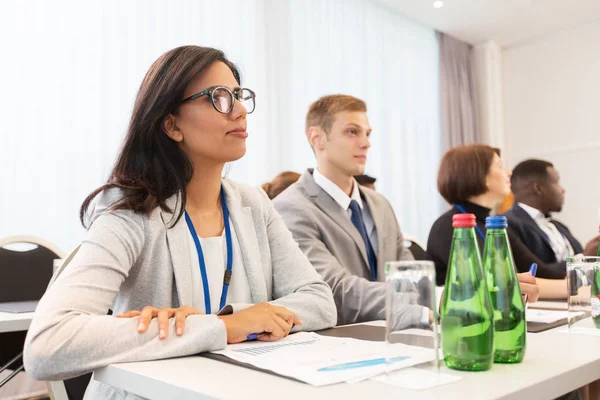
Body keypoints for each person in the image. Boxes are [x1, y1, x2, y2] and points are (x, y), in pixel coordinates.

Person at [23, 46, 336, 399]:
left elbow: (319, 302)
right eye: (218, 97)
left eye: (238, 95)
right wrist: (223, 326)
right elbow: (47, 344)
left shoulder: (252, 204)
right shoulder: (131, 209)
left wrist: (242, 318)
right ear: (172, 125)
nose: (239, 110)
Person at [274, 94, 431, 327]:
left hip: (399, 337)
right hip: (338, 345)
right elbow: (335, 289)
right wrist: (419, 310)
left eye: (367, 133)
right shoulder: (290, 208)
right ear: (317, 139)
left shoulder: (380, 204)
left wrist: (432, 300)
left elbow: (409, 275)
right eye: (352, 132)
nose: (366, 142)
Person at [426, 144, 566, 300]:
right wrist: (574, 290)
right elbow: (497, 284)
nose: (509, 173)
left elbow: (539, 272)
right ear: (482, 176)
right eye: (499, 166)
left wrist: (579, 280)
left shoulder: (493, 225)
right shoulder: (450, 227)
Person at [505, 159, 598, 263]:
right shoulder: (508, 225)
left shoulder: (558, 226)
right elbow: (536, 271)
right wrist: (584, 257)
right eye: (556, 182)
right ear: (538, 188)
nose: (562, 190)